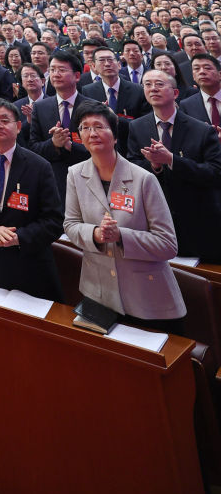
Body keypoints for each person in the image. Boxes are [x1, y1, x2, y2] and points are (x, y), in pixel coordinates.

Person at [64, 104, 185, 330]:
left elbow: (168, 244)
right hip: (100, 293)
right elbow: (70, 225)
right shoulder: (75, 174)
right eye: (85, 127)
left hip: (146, 297)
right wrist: (96, 234)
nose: (92, 133)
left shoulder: (144, 179)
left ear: (115, 135)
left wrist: (120, 235)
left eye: (99, 126)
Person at [0, 99, 63, 300]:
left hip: (31, 264)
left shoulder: (39, 166)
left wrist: (18, 237)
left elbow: (54, 221)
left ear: (18, 126)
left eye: (5, 120)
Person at [126, 68, 221, 263]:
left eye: (159, 84)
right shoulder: (137, 127)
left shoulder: (201, 130)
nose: (153, 88)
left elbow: (214, 173)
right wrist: (154, 166)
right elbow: (132, 166)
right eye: (147, 84)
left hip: (198, 219)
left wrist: (171, 160)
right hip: (156, 220)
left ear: (175, 93)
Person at [28, 50, 99, 206]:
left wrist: (70, 146)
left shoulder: (93, 107)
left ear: (77, 76)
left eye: (61, 70)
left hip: (88, 178)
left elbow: (100, 148)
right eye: (52, 70)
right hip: (52, 181)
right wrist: (53, 144)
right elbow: (33, 148)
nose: (56, 74)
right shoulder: (40, 107)